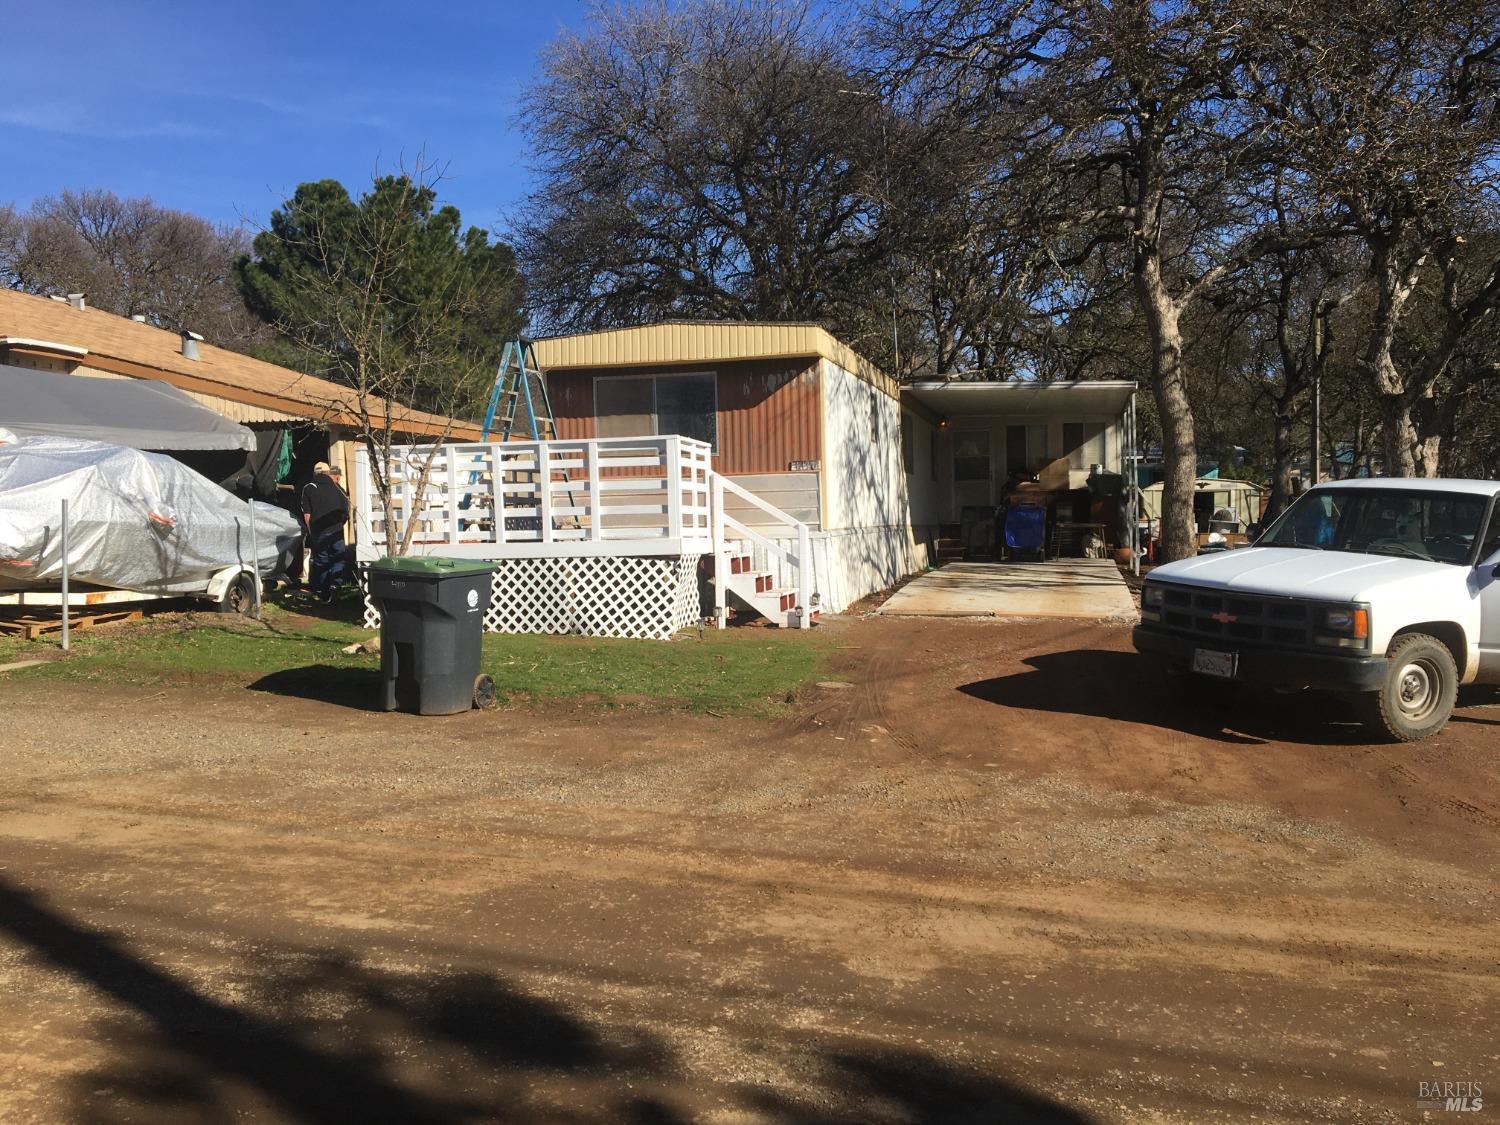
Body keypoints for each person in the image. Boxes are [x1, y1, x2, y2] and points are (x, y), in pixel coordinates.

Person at [301, 461, 349, 603]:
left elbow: (307, 515)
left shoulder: (309, 488)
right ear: (329, 473)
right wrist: (339, 525)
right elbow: (345, 513)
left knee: (322, 560)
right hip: (337, 531)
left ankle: (324, 592)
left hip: (319, 531)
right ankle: (336, 584)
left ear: (315, 472)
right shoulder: (338, 488)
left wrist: (312, 532)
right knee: (338, 558)